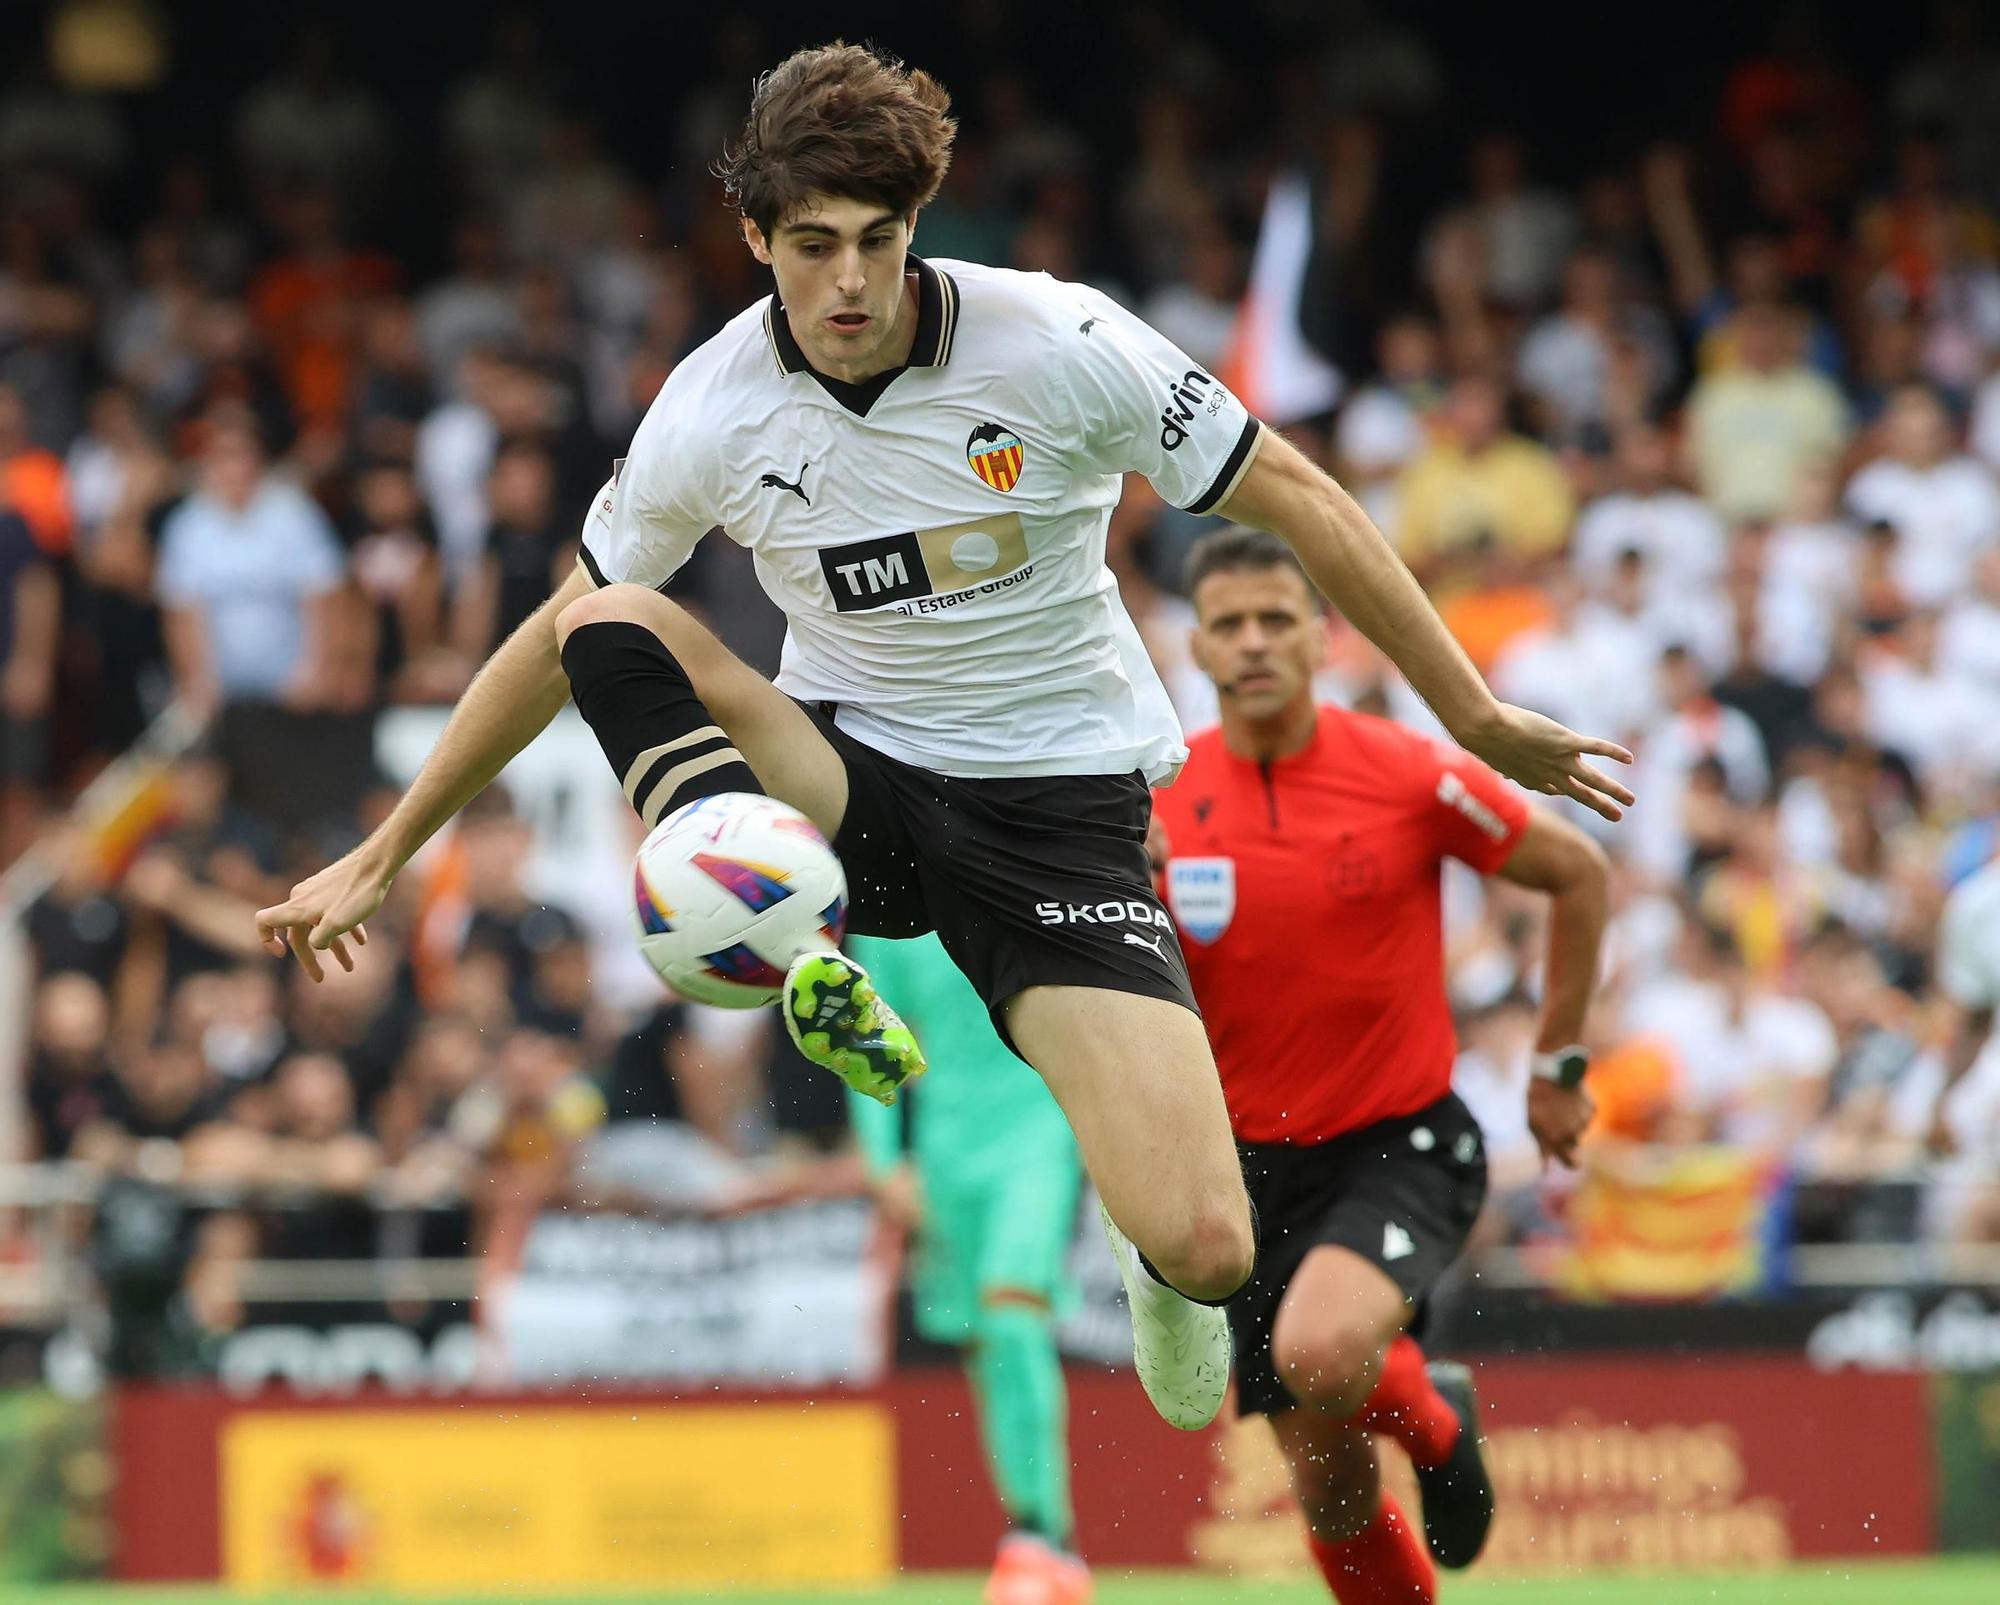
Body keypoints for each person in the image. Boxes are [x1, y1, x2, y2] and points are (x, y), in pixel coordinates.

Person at [254, 43, 1633, 1435]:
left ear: (919, 225)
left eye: (877, 241)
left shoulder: (1060, 344)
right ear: (754, 237)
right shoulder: (713, 403)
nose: (847, 283)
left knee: (1215, 1249)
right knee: (608, 615)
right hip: (854, 786)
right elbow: (555, 639)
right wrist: (384, 851)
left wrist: (1472, 710)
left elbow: (1297, 494)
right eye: (810, 246)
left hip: (1060, 816)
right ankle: (780, 918)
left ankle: (1152, 1260)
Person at [1151, 528, 1609, 1605]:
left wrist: (1558, 1064)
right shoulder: (1154, 805)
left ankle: (1436, 1424)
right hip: (1247, 1177)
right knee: (1331, 1490)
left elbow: (1577, 875)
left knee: (1317, 1355)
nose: (1254, 642)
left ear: (1323, 635)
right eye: (1229, 625)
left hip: (1398, 1142)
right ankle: (1427, 1404)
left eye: (1276, 619)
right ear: (1197, 647)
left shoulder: (1405, 772)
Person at [845, 932, 1088, 1605]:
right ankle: (1041, 1539)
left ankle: (1044, 1534)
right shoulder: (889, 900)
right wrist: (882, 1159)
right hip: (948, 1150)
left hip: (1038, 1129)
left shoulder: (1015, 856)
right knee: (988, 1347)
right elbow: (862, 1022)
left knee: (1013, 1316)